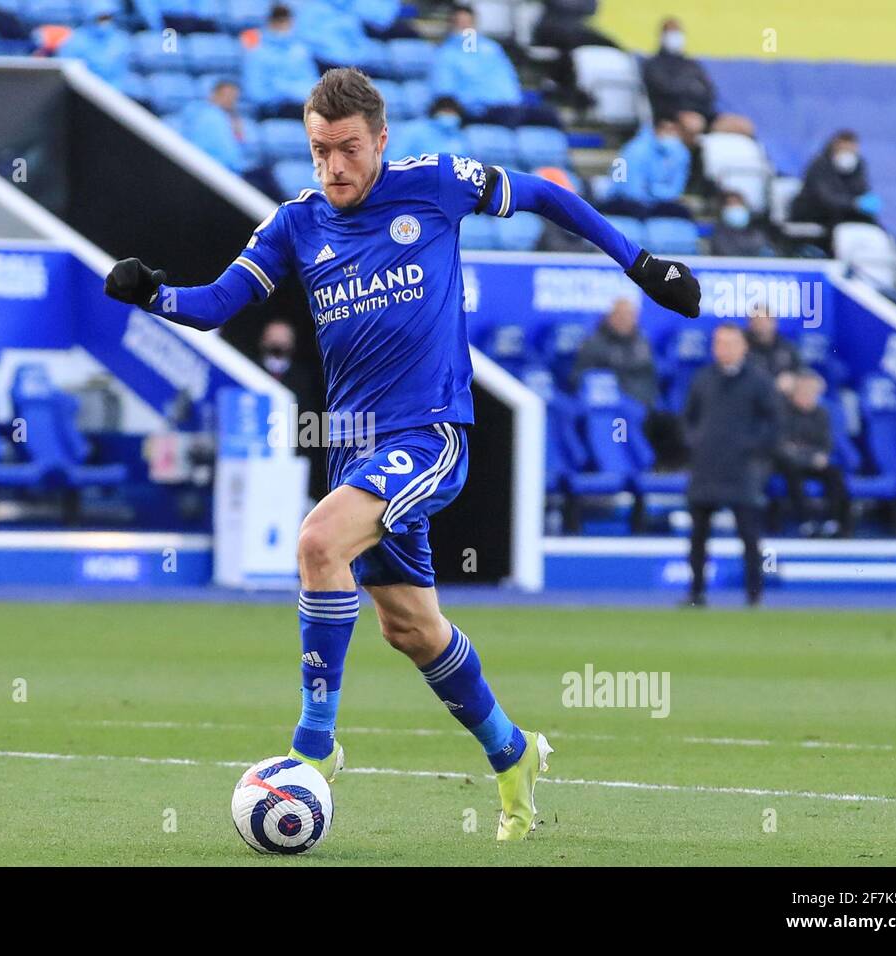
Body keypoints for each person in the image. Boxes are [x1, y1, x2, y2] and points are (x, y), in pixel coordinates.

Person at [105, 68, 700, 839]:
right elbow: (219, 302)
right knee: (411, 629)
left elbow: (548, 193)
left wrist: (641, 263)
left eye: (348, 149)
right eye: (320, 151)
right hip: (351, 449)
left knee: (320, 543)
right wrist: (153, 293)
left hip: (428, 434)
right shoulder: (296, 223)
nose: (334, 168)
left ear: (380, 141)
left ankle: (313, 751)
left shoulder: (437, 184)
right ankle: (513, 753)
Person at [681, 323, 779, 607]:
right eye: (720, 343)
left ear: (743, 347)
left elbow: (773, 423)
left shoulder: (759, 381)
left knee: (749, 534)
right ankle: (696, 592)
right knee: (698, 534)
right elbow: (688, 417)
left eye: (730, 343)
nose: (724, 348)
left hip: (742, 469)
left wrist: (751, 448)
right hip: (706, 467)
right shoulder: (703, 379)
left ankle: (754, 595)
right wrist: (696, 442)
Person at [574, 296, 686, 468]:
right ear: (611, 317)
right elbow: (579, 377)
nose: (627, 320)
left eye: (631, 316)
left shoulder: (642, 342)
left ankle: (670, 474)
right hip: (619, 409)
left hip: (649, 405)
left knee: (677, 423)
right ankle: (634, 470)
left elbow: (654, 373)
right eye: (622, 316)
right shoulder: (594, 344)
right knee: (625, 421)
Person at [431, 4, 560, 128]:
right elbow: (445, 92)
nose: (465, 27)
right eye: (461, 22)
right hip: (478, 110)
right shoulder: (445, 54)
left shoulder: (492, 49)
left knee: (550, 117)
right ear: (452, 24)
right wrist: (473, 106)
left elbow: (508, 79)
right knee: (510, 117)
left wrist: (513, 101)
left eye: (468, 22)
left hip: (508, 107)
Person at [641, 17, 755, 146]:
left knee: (743, 126)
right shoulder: (654, 64)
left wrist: (690, 91)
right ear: (662, 36)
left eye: (678, 33)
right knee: (693, 124)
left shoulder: (691, 64)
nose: (675, 38)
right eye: (671, 33)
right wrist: (690, 90)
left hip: (706, 115)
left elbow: (709, 90)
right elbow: (665, 91)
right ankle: (695, 163)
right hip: (675, 117)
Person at [258, 319, 327, 503]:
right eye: (274, 338)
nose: (278, 344)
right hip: (258, 459)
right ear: (264, 341)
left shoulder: (306, 380)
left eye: (283, 339)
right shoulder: (250, 373)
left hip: (295, 459)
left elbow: (311, 427)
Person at [776, 370, 850, 538]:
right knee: (792, 472)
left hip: (815, 461)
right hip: (790, 463)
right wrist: (809, 457)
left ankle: (834, 522)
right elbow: (783, 446)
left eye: (812, 392)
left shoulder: (822, 414)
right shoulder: (783, 412)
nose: (809, 396)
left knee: (834, 473)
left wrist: (820, 456)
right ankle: (805, 522)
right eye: (804, 391)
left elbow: (826, 443)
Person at [789, 130, 882, 240]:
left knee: (867, 220)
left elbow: (861, 189)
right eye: (844, 149)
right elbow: (826, 198)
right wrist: (854, 204)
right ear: (835, 147)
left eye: (851, 149)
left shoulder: (859, 165)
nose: (847, 153)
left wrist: (865, 201)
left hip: (844, 211)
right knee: (838, 217)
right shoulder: (820, 165)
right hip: (815, 211)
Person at [601, 115, 691, 220]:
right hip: (625, 201)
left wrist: (652, 190)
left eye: (674, 130)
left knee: (681, 213)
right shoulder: (634, 150)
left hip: (657, 202)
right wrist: (655, 193)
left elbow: (676, 189)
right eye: (666, 129)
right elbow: (631, 190)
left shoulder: (680, 152)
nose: (671, 135)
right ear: (656, 129)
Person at [241, 5, 320, 120]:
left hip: (301, 103)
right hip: (274, 108)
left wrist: (292, 90)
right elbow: (255, 93)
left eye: (286, 22)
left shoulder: (301, 50)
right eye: (278, 22)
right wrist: (284, 92)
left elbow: (313, 83)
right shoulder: (257, 52)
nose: (283, 27)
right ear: (269, 23)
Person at [57, 0, 131, 86]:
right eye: (101, 18)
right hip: (86, 91)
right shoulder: (75, 42)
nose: (105, 23)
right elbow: (66, 73)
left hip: (119, 92)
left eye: (108, 18)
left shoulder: (121, 38)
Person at [393, 96, 469, 161]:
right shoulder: (414, 130)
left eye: (452, 112)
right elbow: (393, 159)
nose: (448, 116)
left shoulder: (459, 136)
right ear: (435, 112)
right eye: (445, 111)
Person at [744, 304, 801, 379]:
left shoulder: (786, 347)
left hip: (780, 389)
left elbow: (801, 370)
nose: (762, 324)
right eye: (758, 320)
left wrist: (792, 378)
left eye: (766, 320)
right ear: (750, 323)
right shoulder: (741, 346)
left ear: (774, 322)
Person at [710, 191, 775, 257]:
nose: (736, 208)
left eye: (738, 204)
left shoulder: (756, 232)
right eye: (731, 205)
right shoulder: (719, 234)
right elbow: (726, 253)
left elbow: (766, 251)